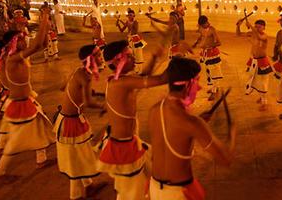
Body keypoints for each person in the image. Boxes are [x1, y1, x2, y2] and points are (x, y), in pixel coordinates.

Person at [147, 57, 235, 200]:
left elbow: (174, 135)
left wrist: (198, 121)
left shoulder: (155, 109)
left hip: (155, 188)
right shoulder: (192, 123)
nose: (199, 87)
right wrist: (232, 134)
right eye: (197, 81)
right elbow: (225, 160)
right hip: (177, 193)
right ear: (188, 85)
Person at [95, 40, 167, 200]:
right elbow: (161, 79)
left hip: (128, 142)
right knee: (132, 192)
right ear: (117, 61)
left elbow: (145, 76)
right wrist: (182, 64)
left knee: (133, 187)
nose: (134, 57)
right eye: (129, 55)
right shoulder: (121, 83)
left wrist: (154, 57)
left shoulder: (121, 79)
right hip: (123, 149)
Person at [0, 7, 56, 183]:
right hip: (20, 104)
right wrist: (44, 18)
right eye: (19, 39)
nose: (23, 41)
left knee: (40, 127)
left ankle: (41, 159)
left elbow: (41, 45)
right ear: (12, 43)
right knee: (15, 142)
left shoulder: (18, 57)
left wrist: (46, 24)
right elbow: (36, 45)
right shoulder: (12, 59)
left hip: (27, 101)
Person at [54, 44, 106, 200]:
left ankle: (89, 185)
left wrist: (94, 93)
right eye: (97, 54)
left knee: (79, 155)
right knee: (77, 159)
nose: (101, 56)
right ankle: (75, 196)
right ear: (90, 59)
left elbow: (63, 87)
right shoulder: (86, 76)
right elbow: (89, 103)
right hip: (71, 123)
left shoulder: (78, 71)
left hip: (66, 119)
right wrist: (105, 106)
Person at [236, 15, 271, 111]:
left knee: (263, 83)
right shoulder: (252, 34)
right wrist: (238, 25)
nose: (257, 28)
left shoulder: (264, 36)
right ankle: (261, 97)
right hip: (254, 61)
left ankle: (265, 102)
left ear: (264, 27)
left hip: (263, 62)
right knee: (255, 81)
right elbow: (238, 34)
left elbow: (259, 36)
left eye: (259, 26)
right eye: (256, 26)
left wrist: (251, 26)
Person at [192, 15, 223, 101]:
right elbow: (201, 36)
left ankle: (214, 91)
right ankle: (214, 88)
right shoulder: (201, 29)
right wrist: (196, 43)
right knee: (209, 72)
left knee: (214, 73)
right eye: (201, 25)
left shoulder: (212, 30)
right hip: (205, 54)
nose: (203, 26)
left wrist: (209, 45)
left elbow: (219, 43)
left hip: (213, 54)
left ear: (206, 22)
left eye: (204, 24)